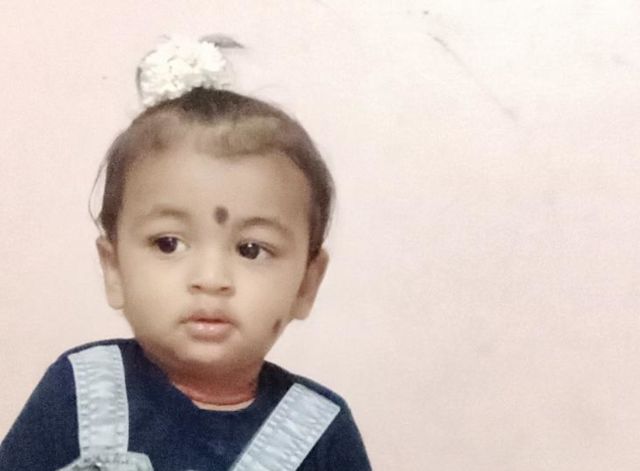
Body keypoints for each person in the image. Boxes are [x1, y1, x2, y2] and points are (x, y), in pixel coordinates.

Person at [0, 36, 371, 470]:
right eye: (168, 244)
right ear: (114, 269)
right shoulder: (81, 391)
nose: (211, 279)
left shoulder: (319, 432)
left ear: (306, 285)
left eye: (251, 250)